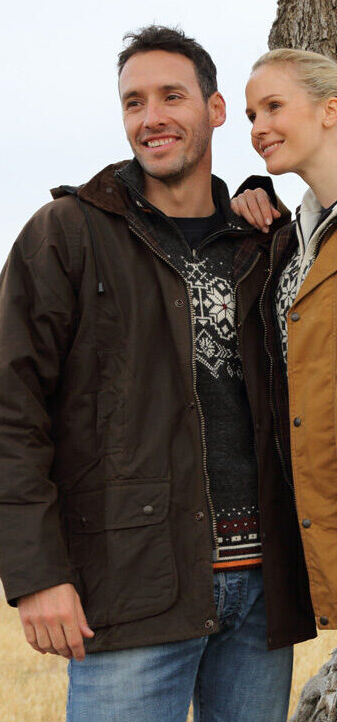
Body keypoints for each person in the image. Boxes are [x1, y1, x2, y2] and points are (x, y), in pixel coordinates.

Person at [0, 26, 316, 722]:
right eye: (134, 102)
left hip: (261, 590)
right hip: (132, 589)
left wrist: (262, 196)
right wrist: (37, 576)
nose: (150, 117)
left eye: (171, 97)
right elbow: (7, 410)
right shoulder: (67, 233)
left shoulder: (264, 241)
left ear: (216, 109)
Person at [232, 48, 337, 633]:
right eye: (252, 115)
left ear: (330, 110)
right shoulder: (292, 240)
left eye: (274, 106)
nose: (258, 127)